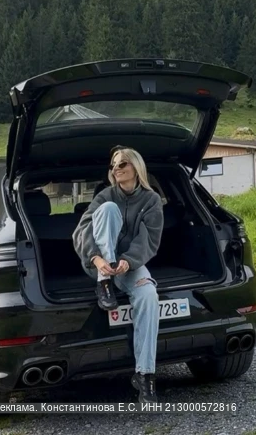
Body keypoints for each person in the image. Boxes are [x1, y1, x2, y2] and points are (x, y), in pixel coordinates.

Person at [72, 147, 164, 403]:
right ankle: (104, 285)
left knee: (148, 294)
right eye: (113, 165)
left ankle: (145, 376)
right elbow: (81, 231)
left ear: (136, 167)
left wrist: (128, 261)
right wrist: (97, 259)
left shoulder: (151, 200)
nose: (116, 168)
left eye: (123, 163)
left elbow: (149, 239)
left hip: (127, 265)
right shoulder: (105, 196)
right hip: (99, 265)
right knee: (109, 209)